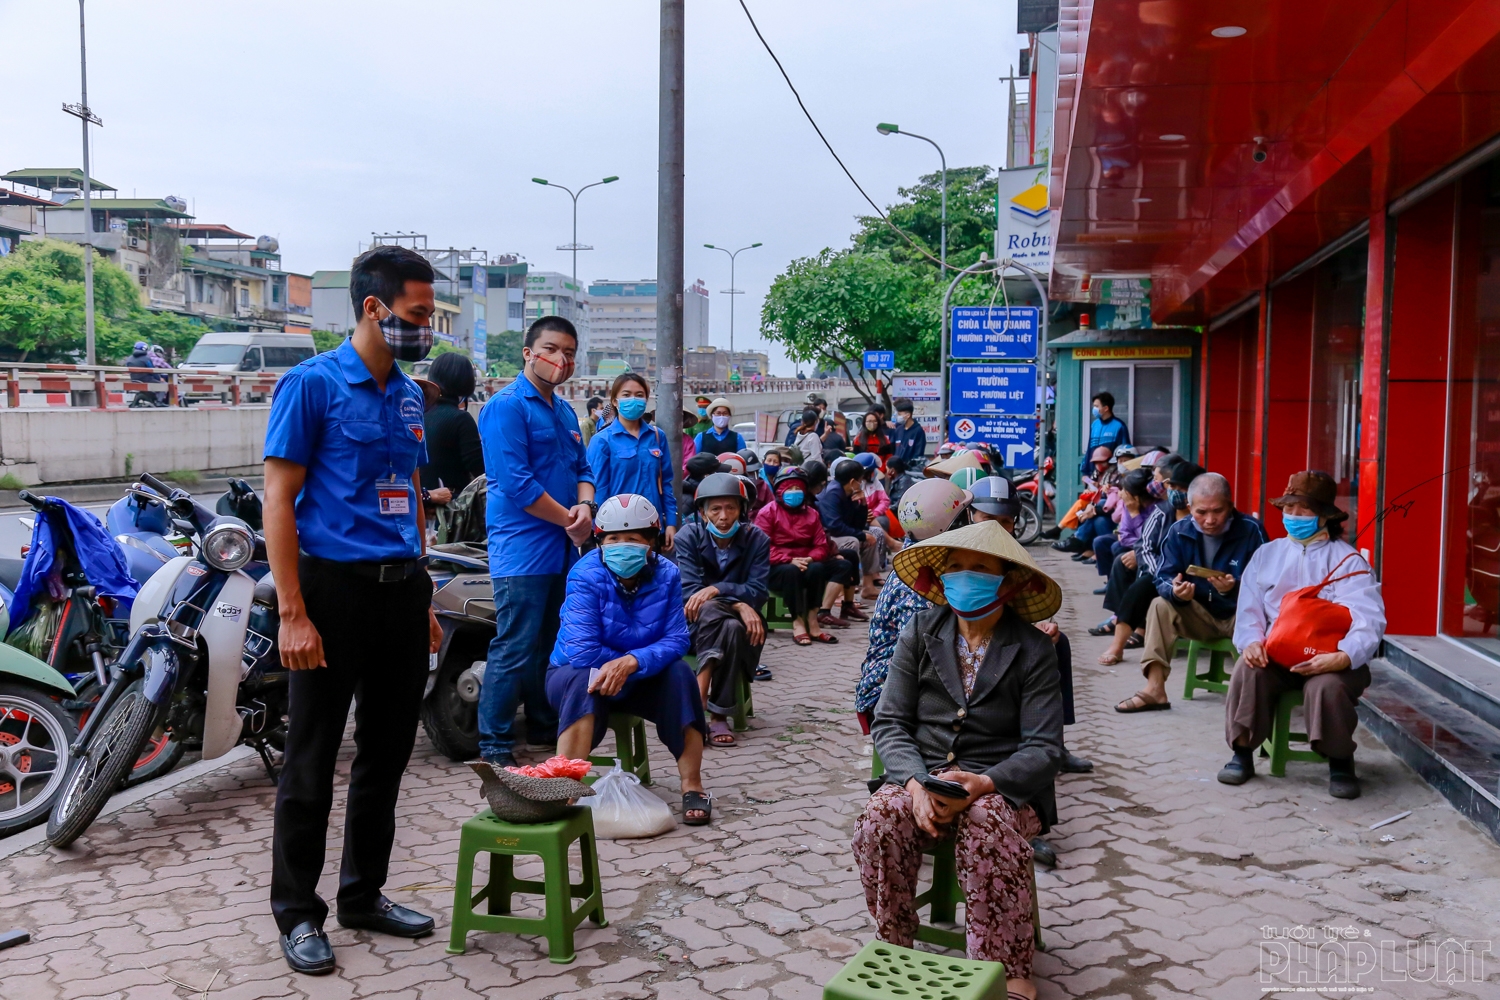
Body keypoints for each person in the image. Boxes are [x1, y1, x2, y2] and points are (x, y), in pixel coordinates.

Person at [263, 245, 444, 974]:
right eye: (418, 313)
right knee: (310, 758)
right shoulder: (311, 386)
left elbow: (410, 495)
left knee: (387, 755)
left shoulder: (410, 395)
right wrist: (292, 612)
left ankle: (363, 895)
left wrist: (425, 591)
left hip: (402, 592)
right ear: (374, 308)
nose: (427, 327)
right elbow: (279, 499)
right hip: (330, 592)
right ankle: (297, 914)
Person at [852, 521, 1064, 997]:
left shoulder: (1032, 648)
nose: (965, 577)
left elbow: (1045, 748)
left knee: (985, 821)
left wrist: (983, 784)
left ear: (1007, 582)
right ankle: (894, 945)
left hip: (1002, 787)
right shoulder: (921, 630)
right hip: (922, 776)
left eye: (980, 569)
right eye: (957, 568)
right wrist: (914, 784)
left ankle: (1006, 968)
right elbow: (889, 722)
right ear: (941, 578)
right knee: (880, 818)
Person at [1220, 472, 1386, 799]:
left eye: (1303, 511)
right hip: (1276, 655)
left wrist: (1344, 656)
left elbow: (1369, 619)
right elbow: (1249, 608)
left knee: (1328, 688)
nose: (1293, 517)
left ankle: (1340, 761)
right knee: (1248, 671)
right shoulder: (1267, 555)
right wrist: (1251, 642)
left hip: (1332, 659)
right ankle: (1241, 753)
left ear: (1325, 516)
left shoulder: (1349, 561)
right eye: (1288, 509)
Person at [549, 495, 712, 824]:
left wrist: (632, 662)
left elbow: (678, 638)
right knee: (585, 679)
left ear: (651, 543)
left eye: (634, 539)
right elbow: (582, 650)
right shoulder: (585, 574)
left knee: (680, 673)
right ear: (600, 542)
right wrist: (623, 664)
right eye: (613, 539)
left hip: (640, 675)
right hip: (575, 675)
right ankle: (561, 792)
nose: (622, 546)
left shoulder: (666, 574)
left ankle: (692, 784)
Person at [476, 316, 595, 767]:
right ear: (528, 353)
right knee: (514, 646)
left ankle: (546, 727)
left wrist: (585, 508)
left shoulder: (564, 411)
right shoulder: (506, 407)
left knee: (553, 643)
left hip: (565, 545)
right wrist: (571, 519)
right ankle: (494, 746)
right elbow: (516, 483)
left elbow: (584, 469)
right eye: (551, 349)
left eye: (568, 353)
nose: (560, 360)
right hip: (522, 550)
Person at [1116, 472, 1267, 713]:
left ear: (1230, 505)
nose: (1209, 519)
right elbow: (1163, 576)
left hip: (1243, 617)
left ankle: (1257, 697)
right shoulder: (1178, 531)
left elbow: (1268, 583)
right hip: (1199, 616)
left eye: (1217, 511)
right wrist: (1176, 592)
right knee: (1159, 605)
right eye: (1201, 512)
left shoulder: (1251, 530)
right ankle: (1155, 689)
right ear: (1190, 506)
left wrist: (1235, 587)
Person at [855, 478, 971, 730]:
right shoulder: (918, 584)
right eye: (965, 516)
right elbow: (927, 660)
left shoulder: (925, 558)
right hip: (890, 697)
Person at [676, 473, 771, 746]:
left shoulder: (756, 539)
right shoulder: (689, 536)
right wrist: (739, 603)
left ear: (741, 510)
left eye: (731, 507)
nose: (724, 516)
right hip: (693, 625)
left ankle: (700, 694)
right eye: (715, 509)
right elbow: (689, 592)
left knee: (727, 625)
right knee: (725, 624)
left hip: (745, 628)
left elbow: (759, 591)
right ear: (703, 513)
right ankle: (718, 715)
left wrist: (717, 589)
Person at [1097, 459, 1200, 665]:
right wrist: (1161, 575)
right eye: (1172, 486)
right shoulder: (1162, 512)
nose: (1175, 492)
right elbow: (1145, 547)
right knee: (1140, 585)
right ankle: (1117, 646)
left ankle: (1141, 630)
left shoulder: (1203, 516)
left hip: (1194, 578)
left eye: (1182, 488)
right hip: (1163, 574)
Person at [754, 466, 855, 644]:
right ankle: (797, 622)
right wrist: (789, 559)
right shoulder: (767, 513)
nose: (794, 493)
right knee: (791, 571)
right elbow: (761, 547)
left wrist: (810, 558)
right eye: (789, 489)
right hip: (776, 566)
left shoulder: (812, 514)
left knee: (831, 566)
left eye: (798, 488)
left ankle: (813, 618)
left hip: (807, 561)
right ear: (779, 491)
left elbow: (821, 545)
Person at [587, 372, 678, 552]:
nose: (633, 400)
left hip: (651, 528)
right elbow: (598, 489)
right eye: (626, 395)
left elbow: (666, 484)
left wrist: (671, 523)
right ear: (614, 401)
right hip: (617, 531)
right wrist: (600, 530)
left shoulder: (658, 437)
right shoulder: (602, 441)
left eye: (639, 395)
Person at [420, 352, 483, 503]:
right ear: (466, 382)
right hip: (453, 509)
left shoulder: (419, 414)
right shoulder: (460, 419)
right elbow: (480, 470)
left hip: (422, 504)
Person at [819, 458, 879, 613]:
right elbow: (835, 526)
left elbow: (857, 525)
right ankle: (843, 593)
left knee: (873, 535)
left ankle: (868, 585)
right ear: (853, 481)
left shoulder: (849, 493)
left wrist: (863, 504)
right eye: (860, 480)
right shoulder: (833, 494)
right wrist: (861, 536)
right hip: (828, 538)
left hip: (842, 533)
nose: (862, 483)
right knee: (853, 542)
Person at [1092, 468, 1152, 579]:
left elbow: (1148, 539)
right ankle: (1110, 580)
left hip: (1146, 546)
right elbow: (1123, 535)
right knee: (1100, 542)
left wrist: (1135, 514)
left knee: (1118, 547)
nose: (1121, 494)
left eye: (1124, 490)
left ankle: (1124, 584)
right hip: (1132, 540)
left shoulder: (1154, 508)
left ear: (1135, 496)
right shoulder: (1128, 503)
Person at [1080, 390, 1130, 476]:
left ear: (1106, 408)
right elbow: (1089, 450)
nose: (1094, 409)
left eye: (1096, 406)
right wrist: (1085, 473)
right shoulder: (1094, 425)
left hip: (1111, 476)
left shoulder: (1119, 426)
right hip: (1093, 475)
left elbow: (1125, 454)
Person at [889, 399, 927, 467]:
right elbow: (892, 449)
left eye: (899, 414)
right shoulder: (898, 430)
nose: (897, 416)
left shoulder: (918, 431)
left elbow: (918, 454)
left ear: (908, 415)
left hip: (910, 470)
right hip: (896, 469)